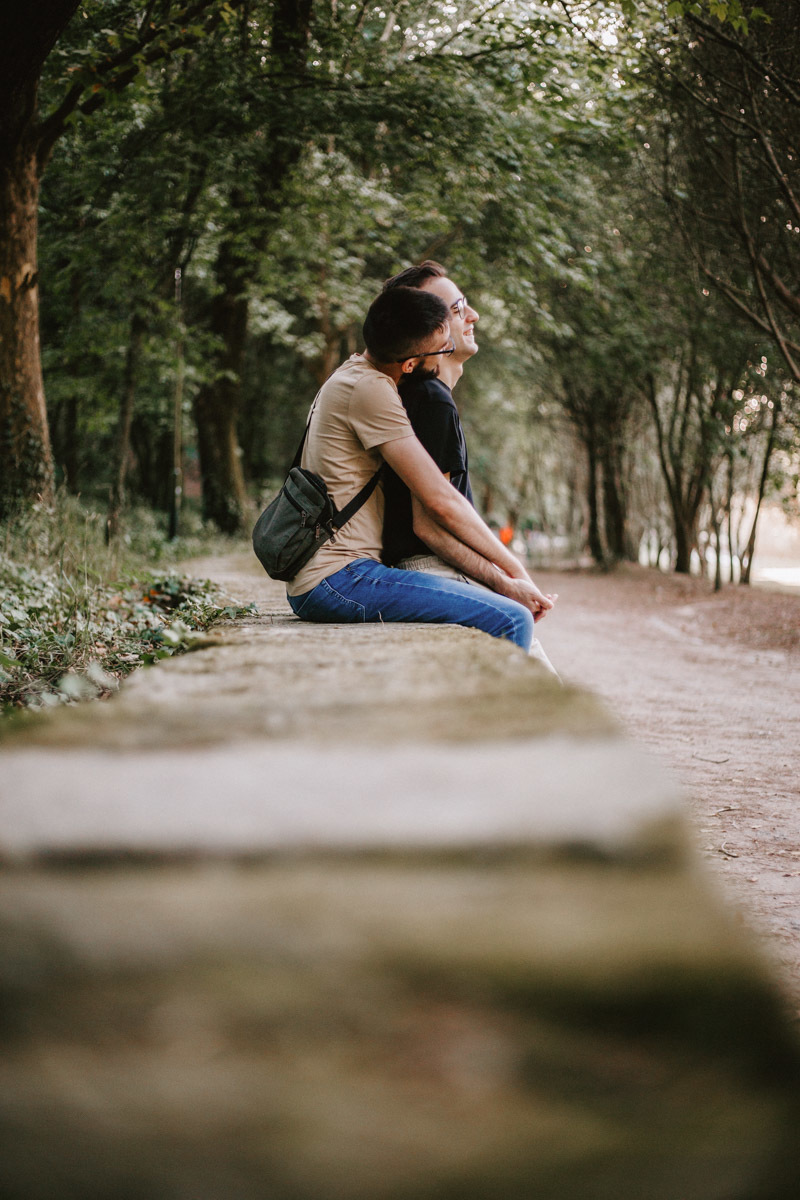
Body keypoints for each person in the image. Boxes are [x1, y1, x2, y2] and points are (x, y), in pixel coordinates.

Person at [285, 286, 554, 651]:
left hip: (327, 577)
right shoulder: (373, 391)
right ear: (410, 364)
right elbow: (439, 500)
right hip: (339, 580)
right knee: (512, 617)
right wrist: (512, 578)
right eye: (442, 348)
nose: (445, 355)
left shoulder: (349, 374)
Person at [380, 261, 559, 677]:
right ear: (428, 330)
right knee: (541, 687)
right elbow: (429, 523)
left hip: (436, 567)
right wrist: (506, 580)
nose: (472, 315)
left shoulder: (425, 396)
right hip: (430, 567)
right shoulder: (429, 400)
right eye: (457, 308)